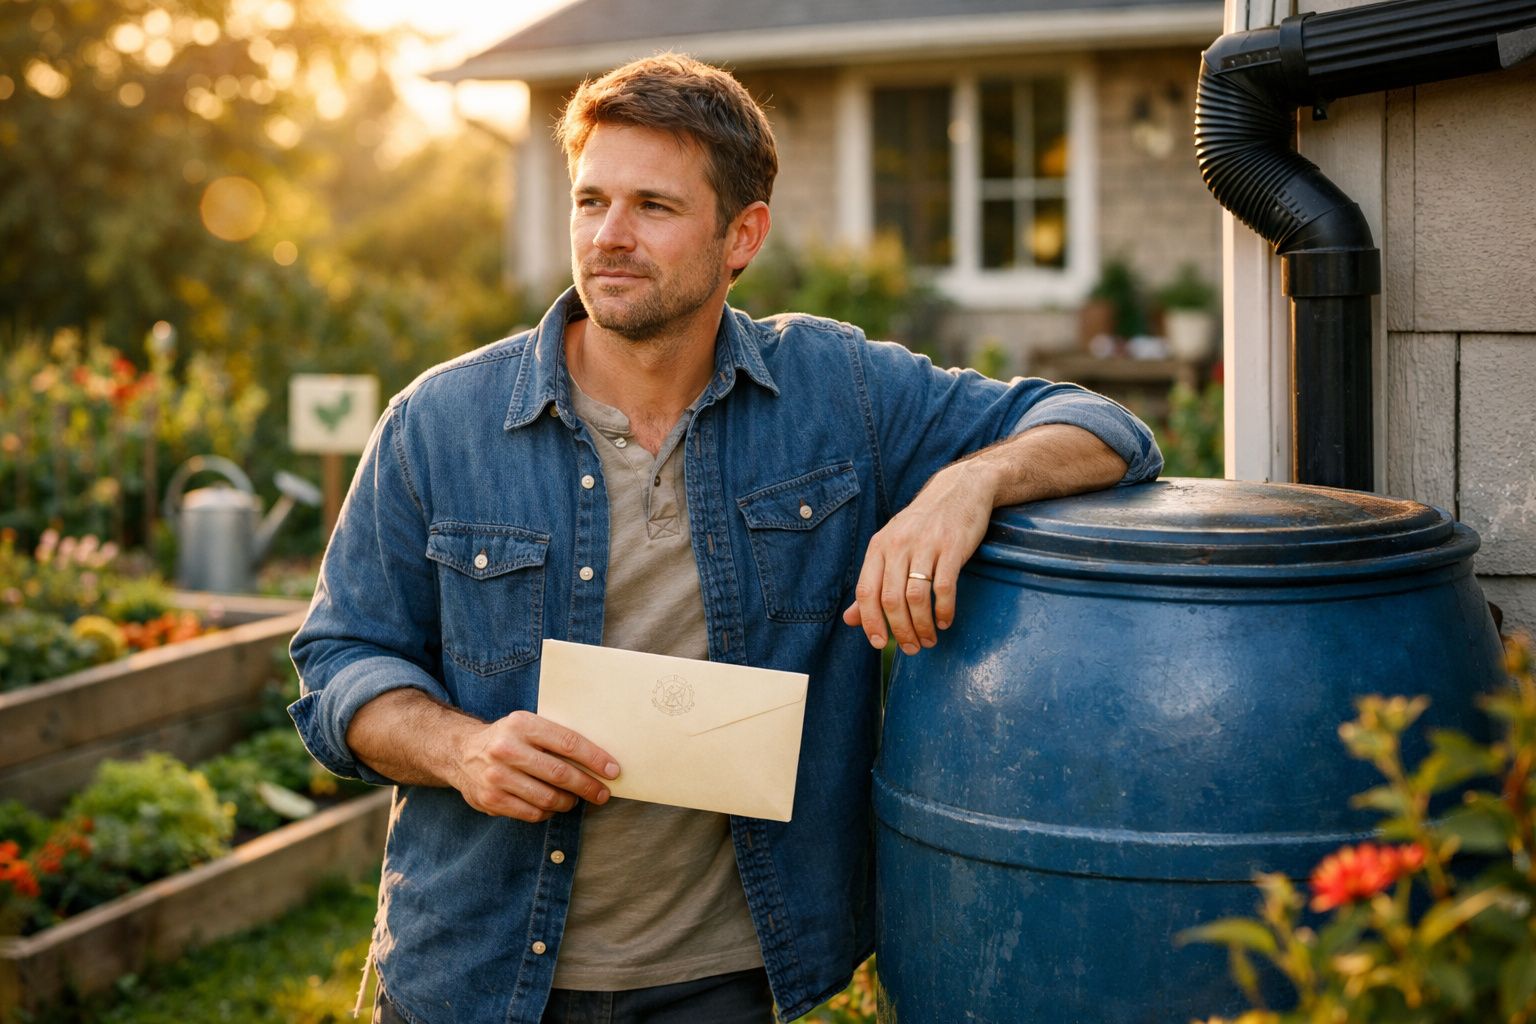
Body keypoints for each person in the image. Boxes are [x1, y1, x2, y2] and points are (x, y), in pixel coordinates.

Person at [289, 53, 1162, 1024]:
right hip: (472, 970)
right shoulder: (439, 422)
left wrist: (969, 482)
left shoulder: (837, 392)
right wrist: (462, 749)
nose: (609, 236)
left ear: (742, 235)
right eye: (591, 201)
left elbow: (1107, 429)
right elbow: (341, 661)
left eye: (653, 206)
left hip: (722, 982)